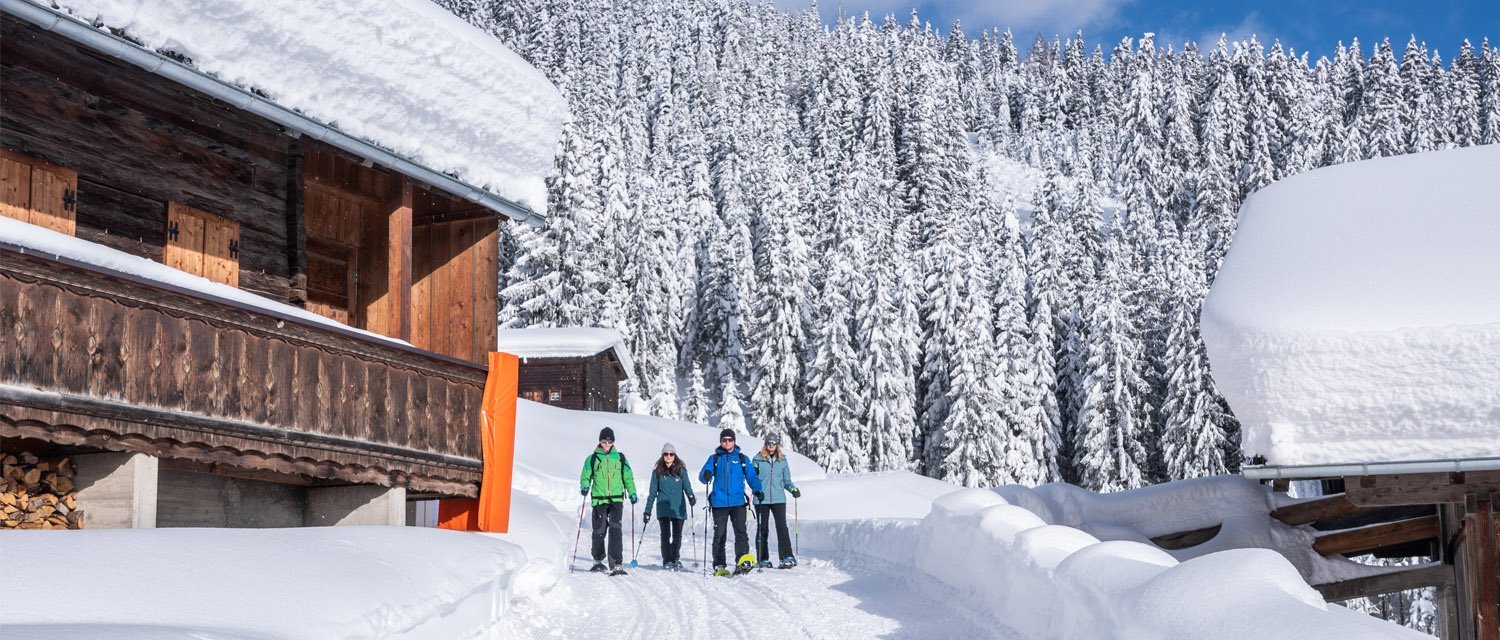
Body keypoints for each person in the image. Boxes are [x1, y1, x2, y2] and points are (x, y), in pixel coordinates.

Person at [699, 428, 763, 576]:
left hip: (738, 502)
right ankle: (719, 564)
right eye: (724, 440)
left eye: (730, 440)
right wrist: (706, 475)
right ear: (721, 442)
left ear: (734, 441)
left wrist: (757, 490)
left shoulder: (742, 458)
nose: (727, 442)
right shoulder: (714, 458)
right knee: (720, 534)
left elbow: (752, 477)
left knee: (741, 532)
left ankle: (742, 561)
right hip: (719, 503)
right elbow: (703, 475)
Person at [579, 427, 636, 575]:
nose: (606, 443)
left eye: (609, 440)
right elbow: (586, 475)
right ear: (600, 441)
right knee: (599, 530)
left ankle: (616, 563)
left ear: (613, 441)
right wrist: (585, 486)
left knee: (615, 531)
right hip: (599, 499)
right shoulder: (592, 458)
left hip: (616, 499)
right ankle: (598, 560)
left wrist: (632, 493)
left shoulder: (620, 458)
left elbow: (628, 477)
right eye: (604, 440)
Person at [642, 442, 696, 570]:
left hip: (678, 509)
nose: (668, 456)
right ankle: (667, 560)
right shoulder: (657, 473)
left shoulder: (681, 471)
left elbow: (687, 486)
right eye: (666, 454)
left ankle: (675, 558)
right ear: (662, 455)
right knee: (665, 535)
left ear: (675, 456)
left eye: (671, 454)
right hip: (663, 509)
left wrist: (691, 496)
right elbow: (652, 494)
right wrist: (647, 511)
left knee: (677, 535)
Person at [752, 433, 801, 569]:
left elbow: (786, 481)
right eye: (769, 443)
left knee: (782, 527)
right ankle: (762, 559)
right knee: (763, 528)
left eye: (773, 443)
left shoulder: (782, 460)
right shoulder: (757, 459)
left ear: (777, 445)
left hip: (779, 499)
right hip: (761, 498)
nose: (771, 446)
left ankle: (786, 556)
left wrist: (793, 489)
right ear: (765, 444)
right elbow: (752, 479)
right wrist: (756, 488)